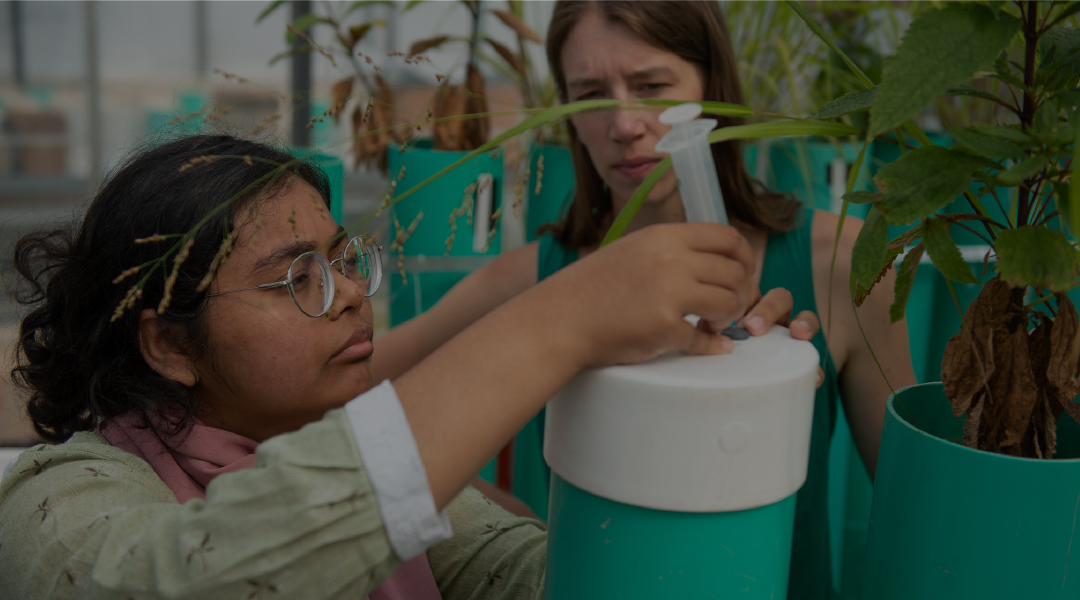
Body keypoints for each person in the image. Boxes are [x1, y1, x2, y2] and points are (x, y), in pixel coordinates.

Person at [0, 133, 804, 599]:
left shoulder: (395, 470)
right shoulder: (56, 500)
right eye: (298, 278)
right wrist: (555, 327)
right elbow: (193, 574)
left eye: (342, 259)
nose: (351, 293)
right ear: (170, 344)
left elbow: (530, 576)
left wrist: (687, 395)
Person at [372, 2, 918, 598]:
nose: (626, 123)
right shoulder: (534, 285)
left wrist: (781, 366)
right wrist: (506, 529)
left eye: (653, 85)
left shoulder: (838, 266)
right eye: (591, 95)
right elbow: (352, 397)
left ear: (711, 88)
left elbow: (918, 523)